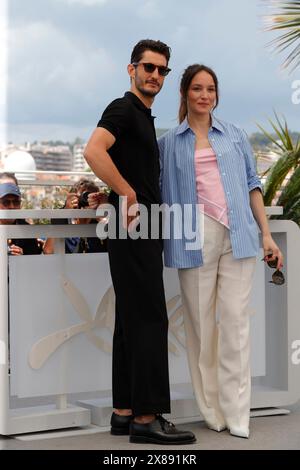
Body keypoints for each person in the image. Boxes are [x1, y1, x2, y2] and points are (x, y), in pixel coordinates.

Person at [158, 64, 284, 439]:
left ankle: (237, 411)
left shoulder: (234, 135)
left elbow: (252, 184)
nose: (204, 95)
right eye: (197, 88)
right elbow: (156, 191)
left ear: (217, 95)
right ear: (184, 94)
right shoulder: (167, 144)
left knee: (235, 326)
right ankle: (211, 409)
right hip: (193, 239)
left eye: (210, 89)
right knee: (200, 330)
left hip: (239, 236)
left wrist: (266, 235)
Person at [84, 39, 195, 445]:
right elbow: (93, 150)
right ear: (131, 69)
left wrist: (113, 191)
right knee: (149, 319)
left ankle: (124, 411)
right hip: (134, 228)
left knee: (131, 321)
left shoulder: (141, 116)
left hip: (134, 228)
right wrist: (126, 194)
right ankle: (148, 419)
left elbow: (119, 161)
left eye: (162, 70)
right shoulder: (123, 108)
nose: (155, 75)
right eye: (148, 67)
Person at [0, 182, 43, 255]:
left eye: (16, 202)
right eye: (6, 202)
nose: (12, 206)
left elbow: (33, 261)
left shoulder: (27, 230)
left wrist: (21, 258)